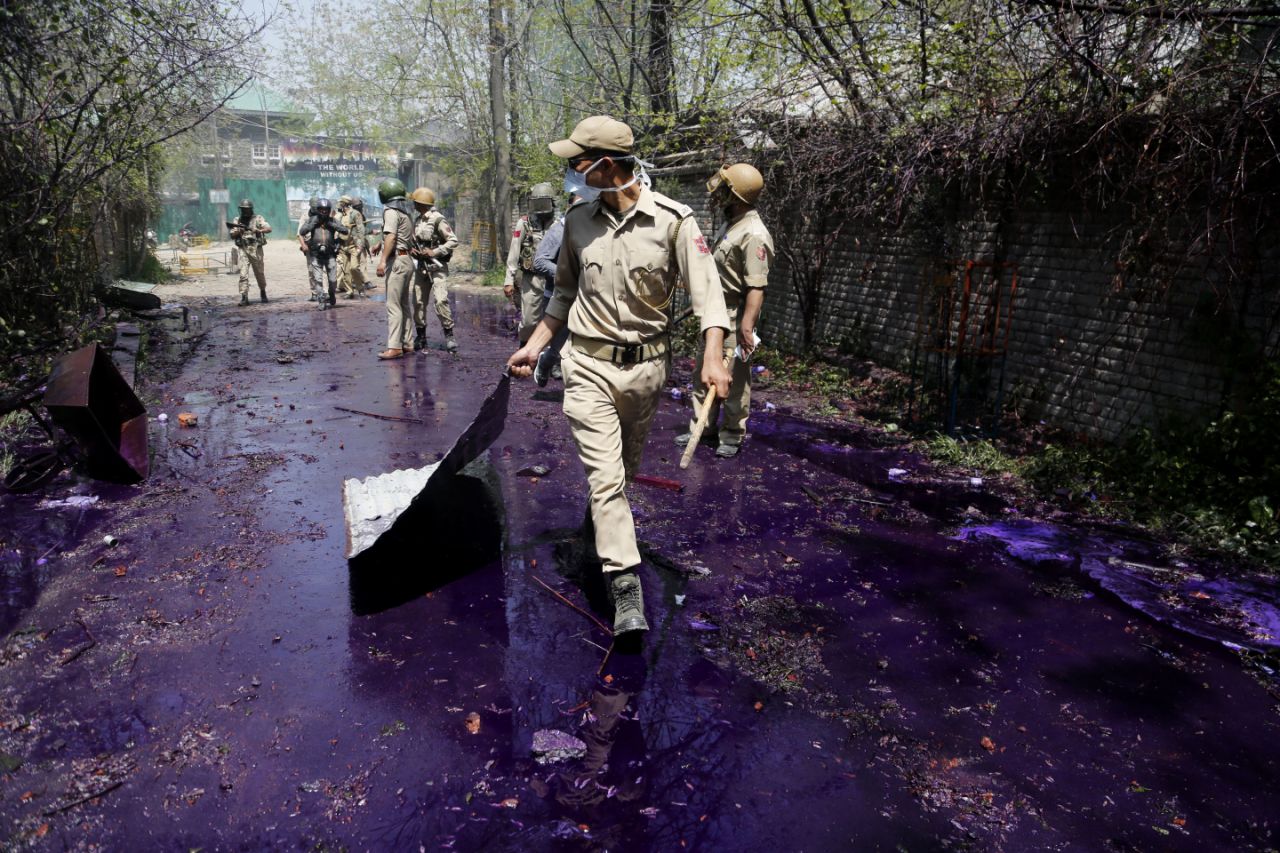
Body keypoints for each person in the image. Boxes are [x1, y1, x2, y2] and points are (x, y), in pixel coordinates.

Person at [506, 115, 732, 636]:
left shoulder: (675, 221)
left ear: (606, 166)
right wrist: (535, 346)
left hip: (646, 371)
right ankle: (625, 587)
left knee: (621, 474)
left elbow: (708, 296)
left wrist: (713, 354)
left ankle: (600, 526)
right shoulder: (577, 221)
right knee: (606, 478)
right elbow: (563, 293)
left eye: (575, 161)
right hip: (585, 364)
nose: (569, 170)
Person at [676, 163, 774, 458]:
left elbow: (756, 287)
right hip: (716, 313)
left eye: (725, 191)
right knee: (704, 373)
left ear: (738, 196)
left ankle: (731, 434)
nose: (718, 196)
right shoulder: (733, 223)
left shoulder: (754, 233)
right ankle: (702, 427)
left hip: (734, 316)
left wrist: (746, 327)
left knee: (733, 379)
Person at [529, 189, 582, 385]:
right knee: (559, 345)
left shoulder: (591, 229)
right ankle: (547, 361)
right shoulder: (560, 229)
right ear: (569, 206)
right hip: (559, 297)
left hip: (586, 298)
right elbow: (540, 262)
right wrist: (567, 275)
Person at [502, 182, 557, 346]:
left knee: (553, 320)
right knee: (528, 322)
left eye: (543, 203)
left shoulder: (559, 224)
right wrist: (508, 280)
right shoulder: (525, 223)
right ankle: (523, 347)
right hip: (531, 280)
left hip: (553, 281)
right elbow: (514, 253)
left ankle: (550, 359)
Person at [407, 187, 460, 353]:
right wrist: (414, 252)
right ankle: (421, 336)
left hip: (437, 267)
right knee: (418, 302)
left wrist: (435, 252)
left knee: (440, 300)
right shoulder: (418, 220)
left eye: (416, 202)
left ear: (422, 203)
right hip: (421, 267)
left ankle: (449, 335)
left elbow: (453, 241)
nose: (414, 204)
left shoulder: (438, 219)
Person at [375, 179, 416, 360]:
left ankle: (394, 347)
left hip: (397, 262)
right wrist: (380, 244)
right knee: (404, 303)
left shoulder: (390, 211)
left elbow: (391, 236)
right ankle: (407, 343)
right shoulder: (405, 212)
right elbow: (398, 237)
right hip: (406, 260)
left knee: (393, 305)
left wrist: (382, 261)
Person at [298, 198, 349, 310]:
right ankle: (321, 300)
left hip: (330, 254)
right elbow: (302, 232)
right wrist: (314, 223)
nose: (324, 212)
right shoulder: (312, 220)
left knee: (332, 280)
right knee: (318, 279)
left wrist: (332, 224)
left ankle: (331, 294)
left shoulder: (332, 220)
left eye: (326, 210)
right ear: (318, 209)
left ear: (329, 210)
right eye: (322, 209)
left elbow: (345, 231)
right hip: (316, 254)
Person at [230, 198, 272, 305]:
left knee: (259, 272)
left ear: (250, 209)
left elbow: (269, 228)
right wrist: (239, 231)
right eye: (243, 209)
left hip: (256, 249)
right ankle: (244, 296)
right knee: (243, 273)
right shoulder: (237, 220)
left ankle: (263, 292)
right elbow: (232, 234)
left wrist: (258, 230)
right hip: (243, 249)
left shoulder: (258, 218)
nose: (245, 211)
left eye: (247, 209)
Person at [336, 196, 367, 298]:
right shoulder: (340, 216)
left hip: (354, 246)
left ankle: (360, 288)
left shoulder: (355, 214)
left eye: (340, 203)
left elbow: (360, 230)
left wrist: (360, 246)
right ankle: (349, 291)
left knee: (354, 268)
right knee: (346, 270)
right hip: (343, 246)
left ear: (344, 204)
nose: (339, 205)